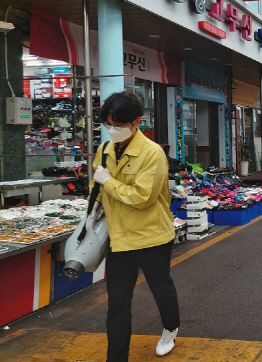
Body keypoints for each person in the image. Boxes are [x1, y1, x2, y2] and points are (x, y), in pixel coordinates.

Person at [91, 91, 180, 362]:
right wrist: (93, 204)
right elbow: (97, 185)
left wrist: (108, 182)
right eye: (108, 124)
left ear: (136, 121)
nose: (112, 130)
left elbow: (142, 198)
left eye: (118, 125)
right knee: (117, 305)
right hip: (119, 238)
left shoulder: (152, 153)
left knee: (160, 288)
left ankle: (170, 328)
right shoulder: (104, 150)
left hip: (151, 235)